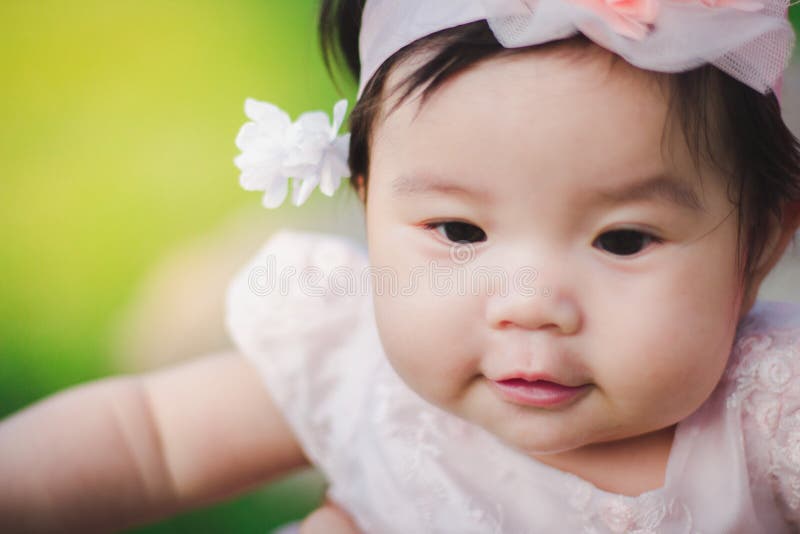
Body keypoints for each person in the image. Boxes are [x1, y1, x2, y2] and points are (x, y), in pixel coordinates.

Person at [2, 0, 800, 532]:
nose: (527, 306)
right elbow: (144, 439)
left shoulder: (767, 418)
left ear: (760, 244)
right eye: (458, 229)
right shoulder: (355, 366)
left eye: (622, 240)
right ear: (366, 205)